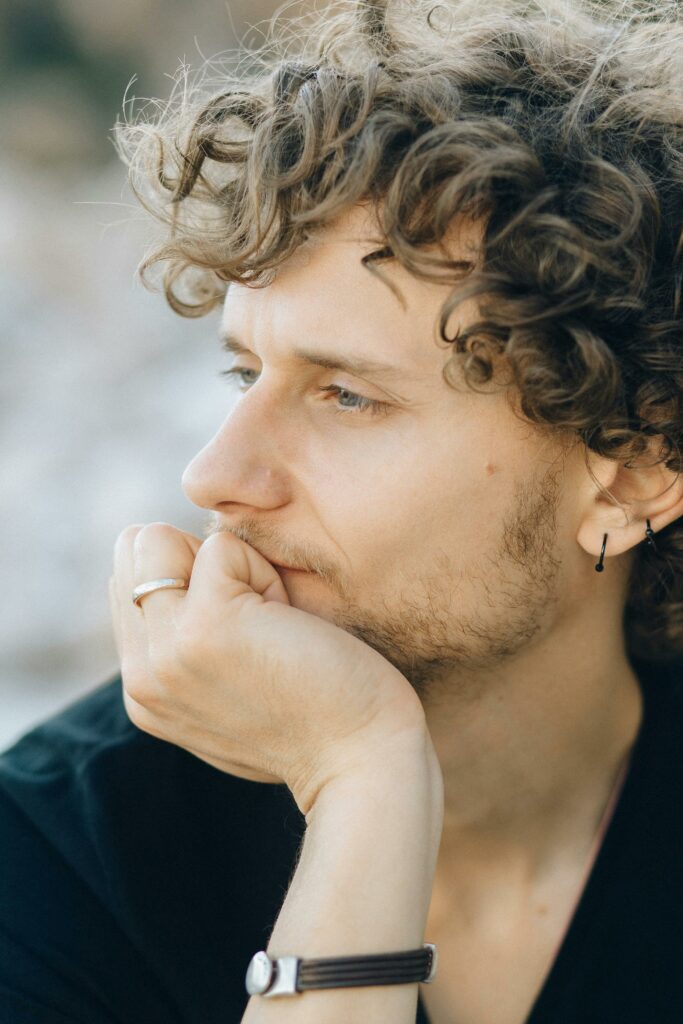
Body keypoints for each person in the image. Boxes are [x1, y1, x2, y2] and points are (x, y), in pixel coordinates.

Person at [2, 1, 682, 1022]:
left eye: (347, 395)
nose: (214, 475)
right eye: (244, 375)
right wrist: (362, 775)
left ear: (629, 473)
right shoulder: (63, 851)